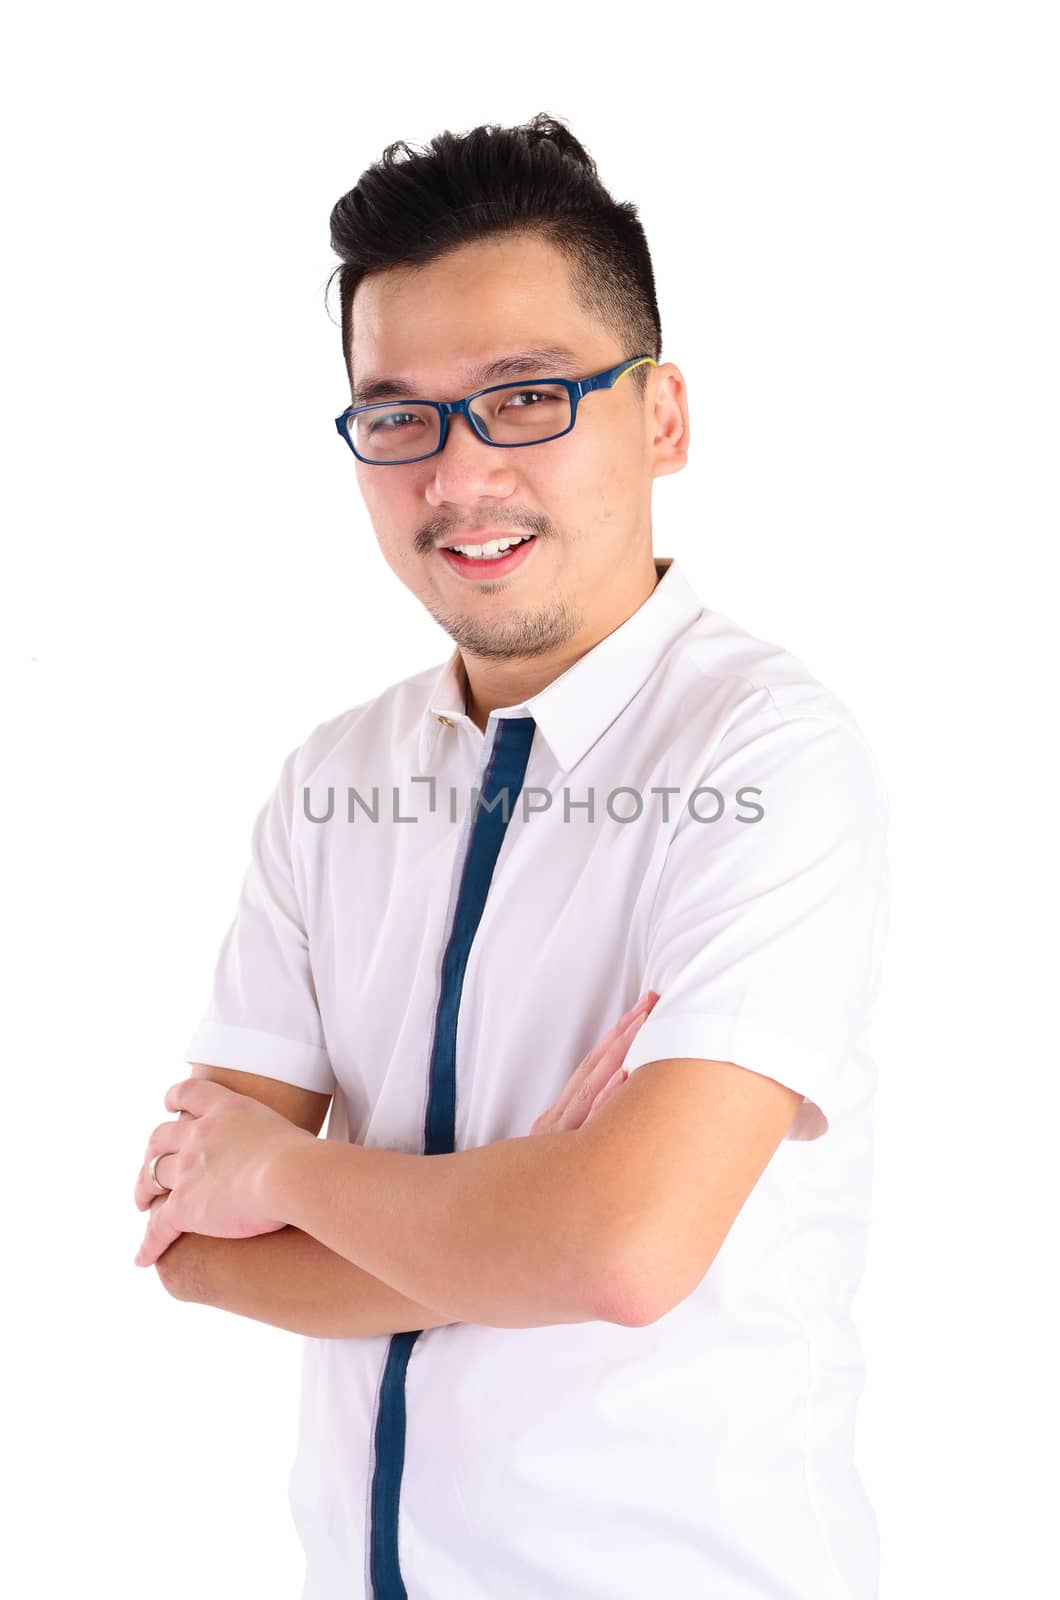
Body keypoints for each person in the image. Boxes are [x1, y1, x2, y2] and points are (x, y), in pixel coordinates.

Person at [133, 112, 890, 1600]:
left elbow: (621, 1251)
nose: (458, 476)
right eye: (396, 415)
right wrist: (519, 1204)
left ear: (661, 415)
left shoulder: (768, 757)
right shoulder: (333, 781)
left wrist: (289, 1167)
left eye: (527, 397)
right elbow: (192, 1245)